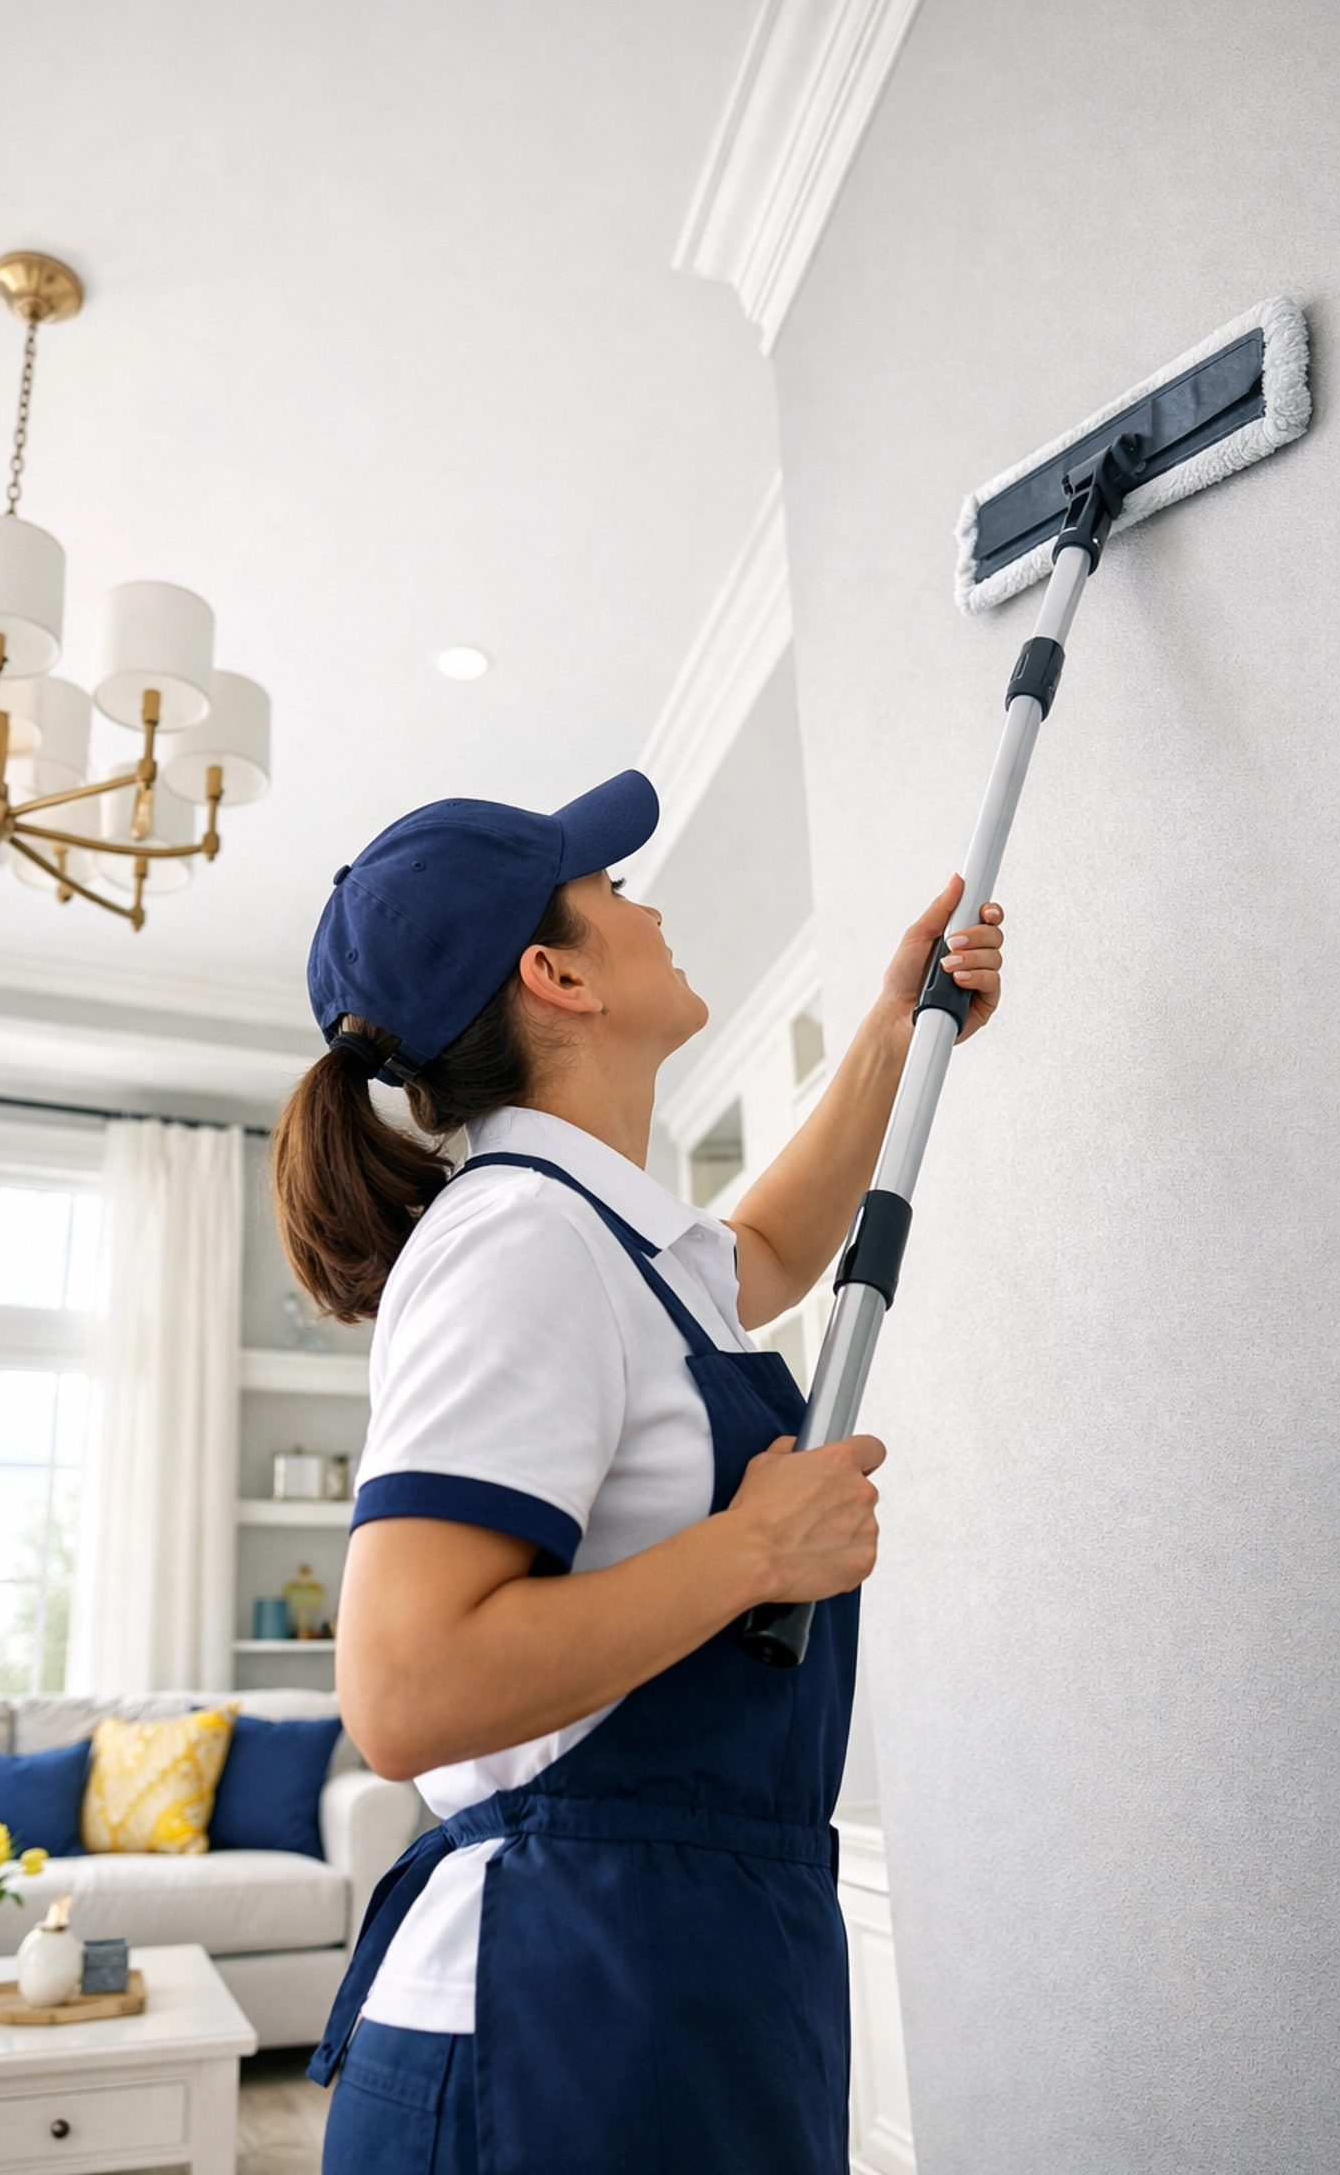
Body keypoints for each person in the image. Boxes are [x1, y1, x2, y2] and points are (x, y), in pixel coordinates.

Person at [273, 768, 1004, 2175]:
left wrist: (904, 1030)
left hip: (672, 1966)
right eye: (610, 887)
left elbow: (771, 1255)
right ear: (555, 975)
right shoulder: (517, 1245)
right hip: (560, 2012)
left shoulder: (598, 1243)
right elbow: (406, 1691)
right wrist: (752, 1552)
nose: (644, 899)